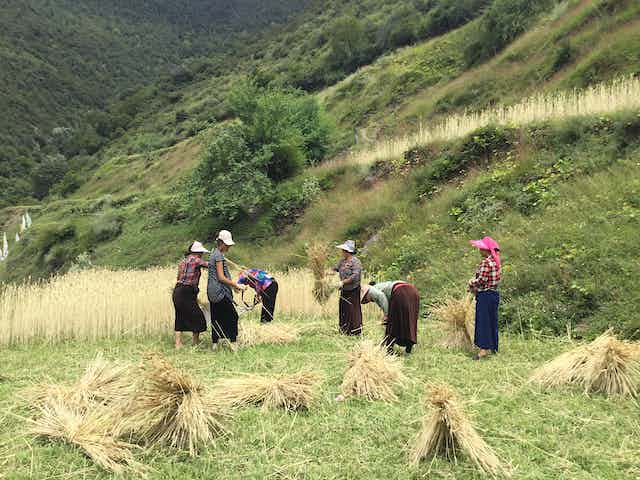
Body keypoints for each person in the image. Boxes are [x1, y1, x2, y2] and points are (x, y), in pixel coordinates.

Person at [207, 230, 246, 348]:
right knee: (233, 315)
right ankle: (233, 343)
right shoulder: (218, 255)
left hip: (211, 290)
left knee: (216, 315)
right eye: (227, 244)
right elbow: (221, 277)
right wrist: (236, 285)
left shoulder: (214, 253)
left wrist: (232, 286)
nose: (229, 247)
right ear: (221, 243)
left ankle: (215, 343)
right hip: (219, 291)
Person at [361, 281, 420, 354]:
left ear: (366, 294)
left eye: (366, 299)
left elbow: (381, 296)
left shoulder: (371, 290)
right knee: (408, 319)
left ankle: (389, 348)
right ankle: (409, 345)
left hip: (401, 291)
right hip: (413, 291)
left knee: (393, 322)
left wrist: (386, 315)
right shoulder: (383, 286)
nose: (369, 301)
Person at [468, 236, 502, 360]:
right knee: (492, 321)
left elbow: (482, 280)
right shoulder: (496, 261)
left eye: (481, 248)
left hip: (485, 295)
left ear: (486, 250)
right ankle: (493, 347)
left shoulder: (486, 262)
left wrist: (471, 282)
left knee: (483, 322)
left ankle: (483, 350)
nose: (479, 250)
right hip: (494, 294)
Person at [172, 241, 209, 349]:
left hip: (178, 290)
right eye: (201, 252)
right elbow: (209, 265)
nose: (202, 254)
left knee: (180, 315)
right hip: (187, 291)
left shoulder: (182, 262)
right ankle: (195, 342)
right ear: (197, 252)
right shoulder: (196, 260)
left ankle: (178, 343)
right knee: (198, 316)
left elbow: (178, 278)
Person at [333, 240, 363, 336]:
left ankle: (355, 331)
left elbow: (355, 276)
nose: (342, 252)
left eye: (343, 250)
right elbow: (335, 269)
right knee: (343, 309)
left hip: (353, 290)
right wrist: (326, 273)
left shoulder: (355, 262)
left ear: (347, 251)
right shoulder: (342, 261)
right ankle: (344, 330)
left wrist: (343, 282)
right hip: (344, 290)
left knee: (353, 310)